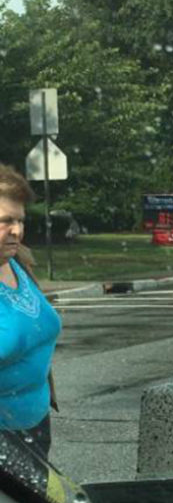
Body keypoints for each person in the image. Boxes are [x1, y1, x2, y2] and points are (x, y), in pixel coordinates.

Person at [0, 164, 61, 460]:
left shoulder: (18, 260)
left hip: (36, 425)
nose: (17, 231)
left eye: (20, 221)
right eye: (5, 221)